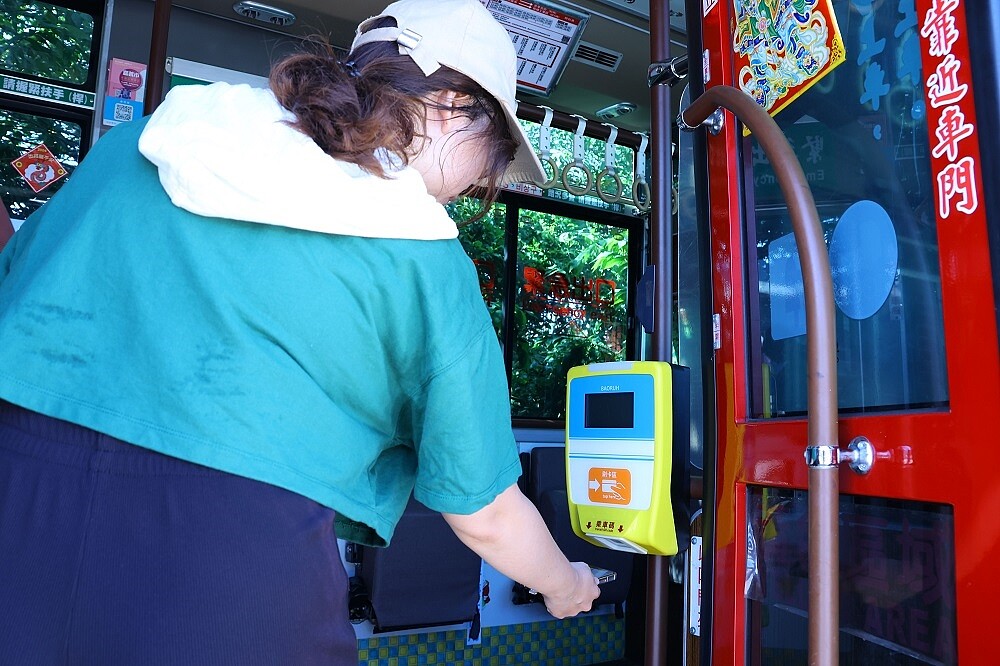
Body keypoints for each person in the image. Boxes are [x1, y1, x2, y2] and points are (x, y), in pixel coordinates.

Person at [0, 0, 600, 663]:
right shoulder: (421, 255)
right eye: (492, 159)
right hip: (226, 569)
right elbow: (485, 511)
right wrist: (565, 582)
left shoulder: (140, 144)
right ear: (453, 105)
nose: (477, 187)